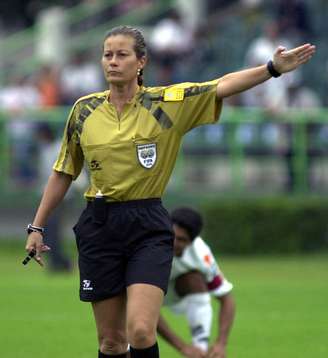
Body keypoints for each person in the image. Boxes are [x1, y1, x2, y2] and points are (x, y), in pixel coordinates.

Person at [24, 25, 315, 358]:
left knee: (141, 331)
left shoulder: (167, 102)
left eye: (122, 55)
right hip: (100, 225)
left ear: (141, 61)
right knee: (110, 342)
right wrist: (37, 226)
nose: (112, 62)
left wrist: (272, 69)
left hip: (147, 225)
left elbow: (220, 86)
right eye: (107, 55)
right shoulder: (83, 110)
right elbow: (63, 171)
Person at [158, 207, 235, 358]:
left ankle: (201, 348)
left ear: (192, 241)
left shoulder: (201, 255)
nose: (174, 242)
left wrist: (221, 343)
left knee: (194, 279)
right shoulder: (150, 246)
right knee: (124, 347)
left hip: (171, 291)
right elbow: (140, 304)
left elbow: (227, 299)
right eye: (173, 235)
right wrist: (182, 347)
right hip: (138, 293)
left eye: (182, 239)